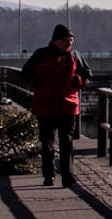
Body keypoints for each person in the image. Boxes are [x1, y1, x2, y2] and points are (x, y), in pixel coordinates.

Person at [23, 24, 87, 187]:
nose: (68, 43)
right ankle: (49, 175)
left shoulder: (74, 55)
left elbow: (86, 74)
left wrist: (77, 81)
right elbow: (26, 72)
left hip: (67, 105)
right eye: (64, 40)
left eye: (71, 39)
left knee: (66, 142)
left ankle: (68, 176)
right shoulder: (41, 54)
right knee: (47, 143)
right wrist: (36, 83)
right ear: (55, 40)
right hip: (46, 105)